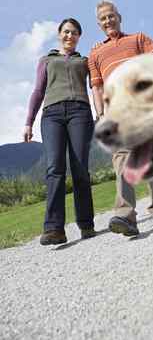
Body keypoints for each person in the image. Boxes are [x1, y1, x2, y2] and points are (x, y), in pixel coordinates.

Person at [88, 0, 153, 237]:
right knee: (122, 159)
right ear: (99, 24)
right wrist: (100, 113)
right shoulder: (95, 53)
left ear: (119, 17)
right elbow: (96, 86)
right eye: (103, 18)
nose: (108, 21)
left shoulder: (138, 38)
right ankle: (126, 216)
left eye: (111, 16)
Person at [23, 18, 95, 245]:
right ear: (59, 34)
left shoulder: (84, 61)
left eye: (74, 33)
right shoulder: (46, 60)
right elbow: (37, 91)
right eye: (66, 32)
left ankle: (86, 223)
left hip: (80, 113)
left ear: (79, 36)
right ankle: (54, 229)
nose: (69, 36)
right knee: (55, 168)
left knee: (80, 168)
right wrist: (28, 122)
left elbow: (99, 84)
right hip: (52, 115)